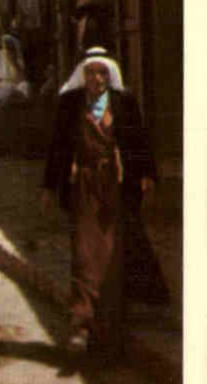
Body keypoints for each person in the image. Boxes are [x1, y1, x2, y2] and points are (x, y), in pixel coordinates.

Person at [41, 50, 163, 359]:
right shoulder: (71, 105)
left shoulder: (124, 104)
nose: (96, 79)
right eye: (91, 73)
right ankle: (81, 324)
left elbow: (138, 141)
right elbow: (57, 147)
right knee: (84, 256)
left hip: (115, 187)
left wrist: (147, 175)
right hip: (83, 186)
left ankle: (109, 332)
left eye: (102, 74)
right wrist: (48, 187)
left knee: (113, 257)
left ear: (110, 76)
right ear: (83, 74)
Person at [0, 33, 31, 156]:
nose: (7, 48)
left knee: (9, 98)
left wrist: (14, 61)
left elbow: (22, 77)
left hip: (14, 86)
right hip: (1, 86)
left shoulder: (18, 57)